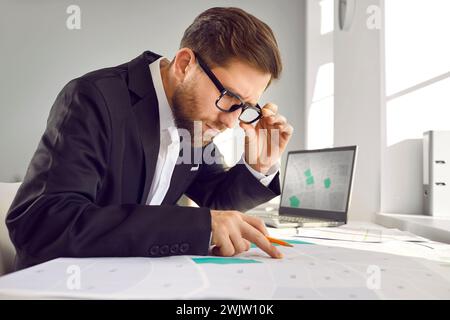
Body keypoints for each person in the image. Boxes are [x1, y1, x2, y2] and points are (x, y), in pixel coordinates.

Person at [6, 7, 293, 270]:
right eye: (229, 98)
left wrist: (259, 165)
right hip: (66, 284)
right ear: (184, 64)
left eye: (245, 108)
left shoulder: (195, 121)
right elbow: (44, 225)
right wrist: (194, 226)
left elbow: (216, 202)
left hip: (142, 279)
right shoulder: (94, 98)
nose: (231, 122)